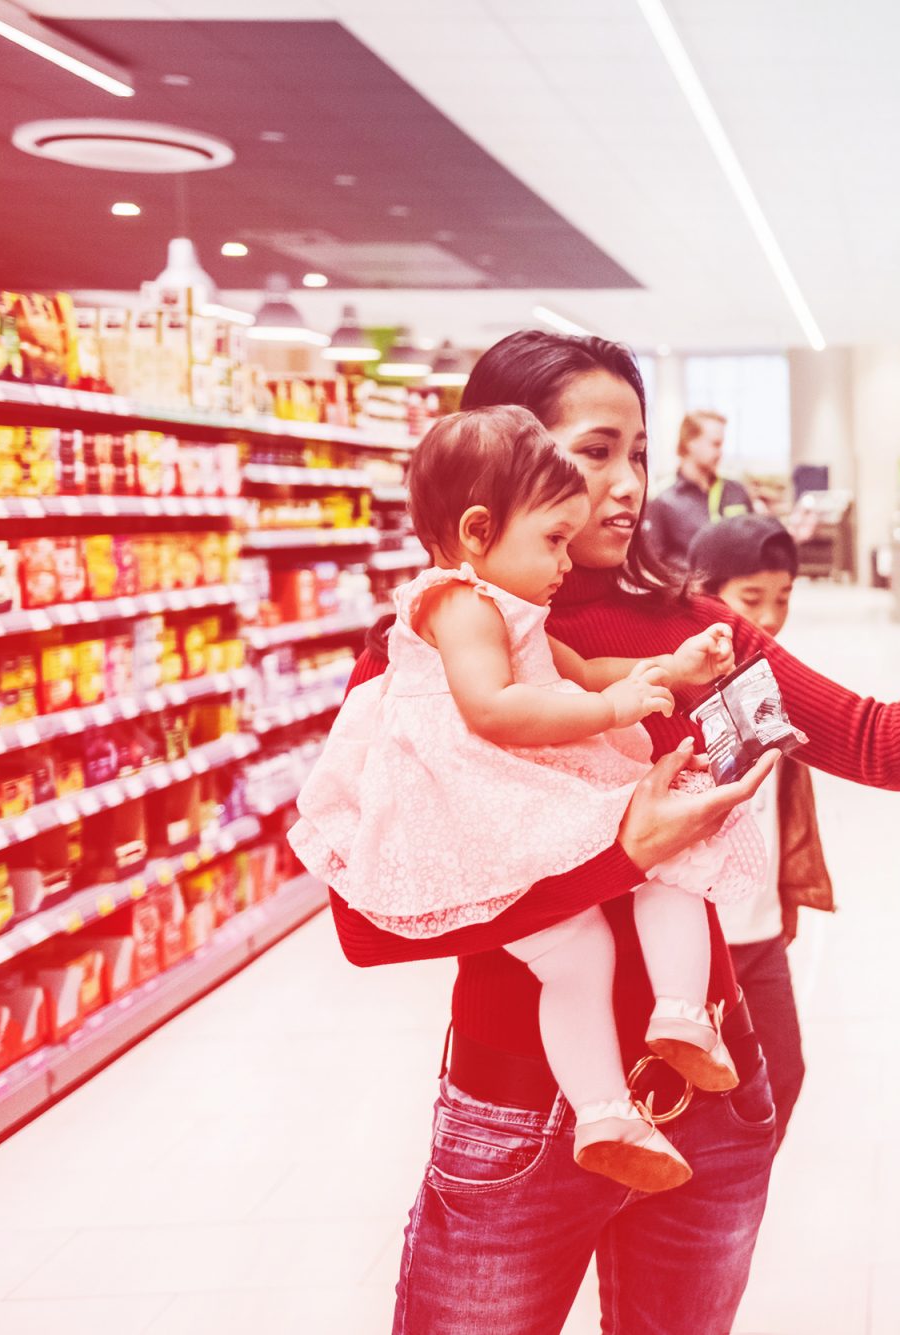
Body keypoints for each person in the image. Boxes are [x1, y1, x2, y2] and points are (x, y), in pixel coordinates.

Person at [331, 329, 900, 1335]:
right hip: (520, 1115)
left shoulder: (695, 635)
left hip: (711, 1106)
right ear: (504, 457)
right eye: (593, 450)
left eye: (637, 452)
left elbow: (883, 745)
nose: (624, 484)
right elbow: (368, 924)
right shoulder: (432, 651)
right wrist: (624, 854)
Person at [292, 406, 766, 1194]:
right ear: (478, 531)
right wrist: (619, 712)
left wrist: (670, 669)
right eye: (552, 539)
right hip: (479, 810)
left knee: (583, 950)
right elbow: (494, 709)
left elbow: (579, 673)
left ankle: (618, 1095)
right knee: (656, 859)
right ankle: (663, 1032)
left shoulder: (512, 607)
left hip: (508, 806)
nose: (564, 561)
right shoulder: (459, 603)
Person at [684, 514, 828, 1147]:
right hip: (697, 934)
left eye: (784, 598)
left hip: (759, 927)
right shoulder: (677, 685)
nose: (769, 619)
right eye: (751, 600)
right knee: (706, 1087)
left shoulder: (773, 680)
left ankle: (731, 1195)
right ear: (703, 593)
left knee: (783, 1072)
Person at [645, 408, 752, 564]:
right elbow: (653, 563)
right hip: (690, 586)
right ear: (690, 443)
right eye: (716, 444)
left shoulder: (736, 491)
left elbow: (754, 546)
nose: (720, 452)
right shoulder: (661, 499)